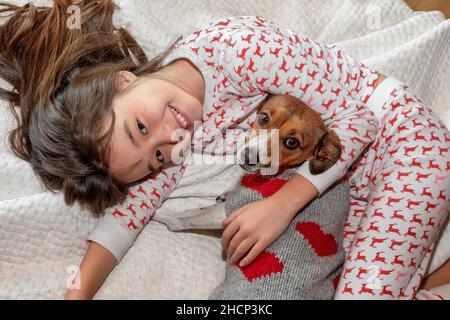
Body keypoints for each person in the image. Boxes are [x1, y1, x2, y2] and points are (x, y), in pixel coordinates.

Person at [0, 1, 448, 300]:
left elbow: (360, 121)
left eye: (140, 126)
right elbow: (125, 219)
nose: (166, 137)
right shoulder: (174, 135)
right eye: (155, 157)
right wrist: (75, 293)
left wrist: (280, 205)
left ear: (123, 79)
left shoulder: (237, 49)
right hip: (349, 189)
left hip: (404, 149)